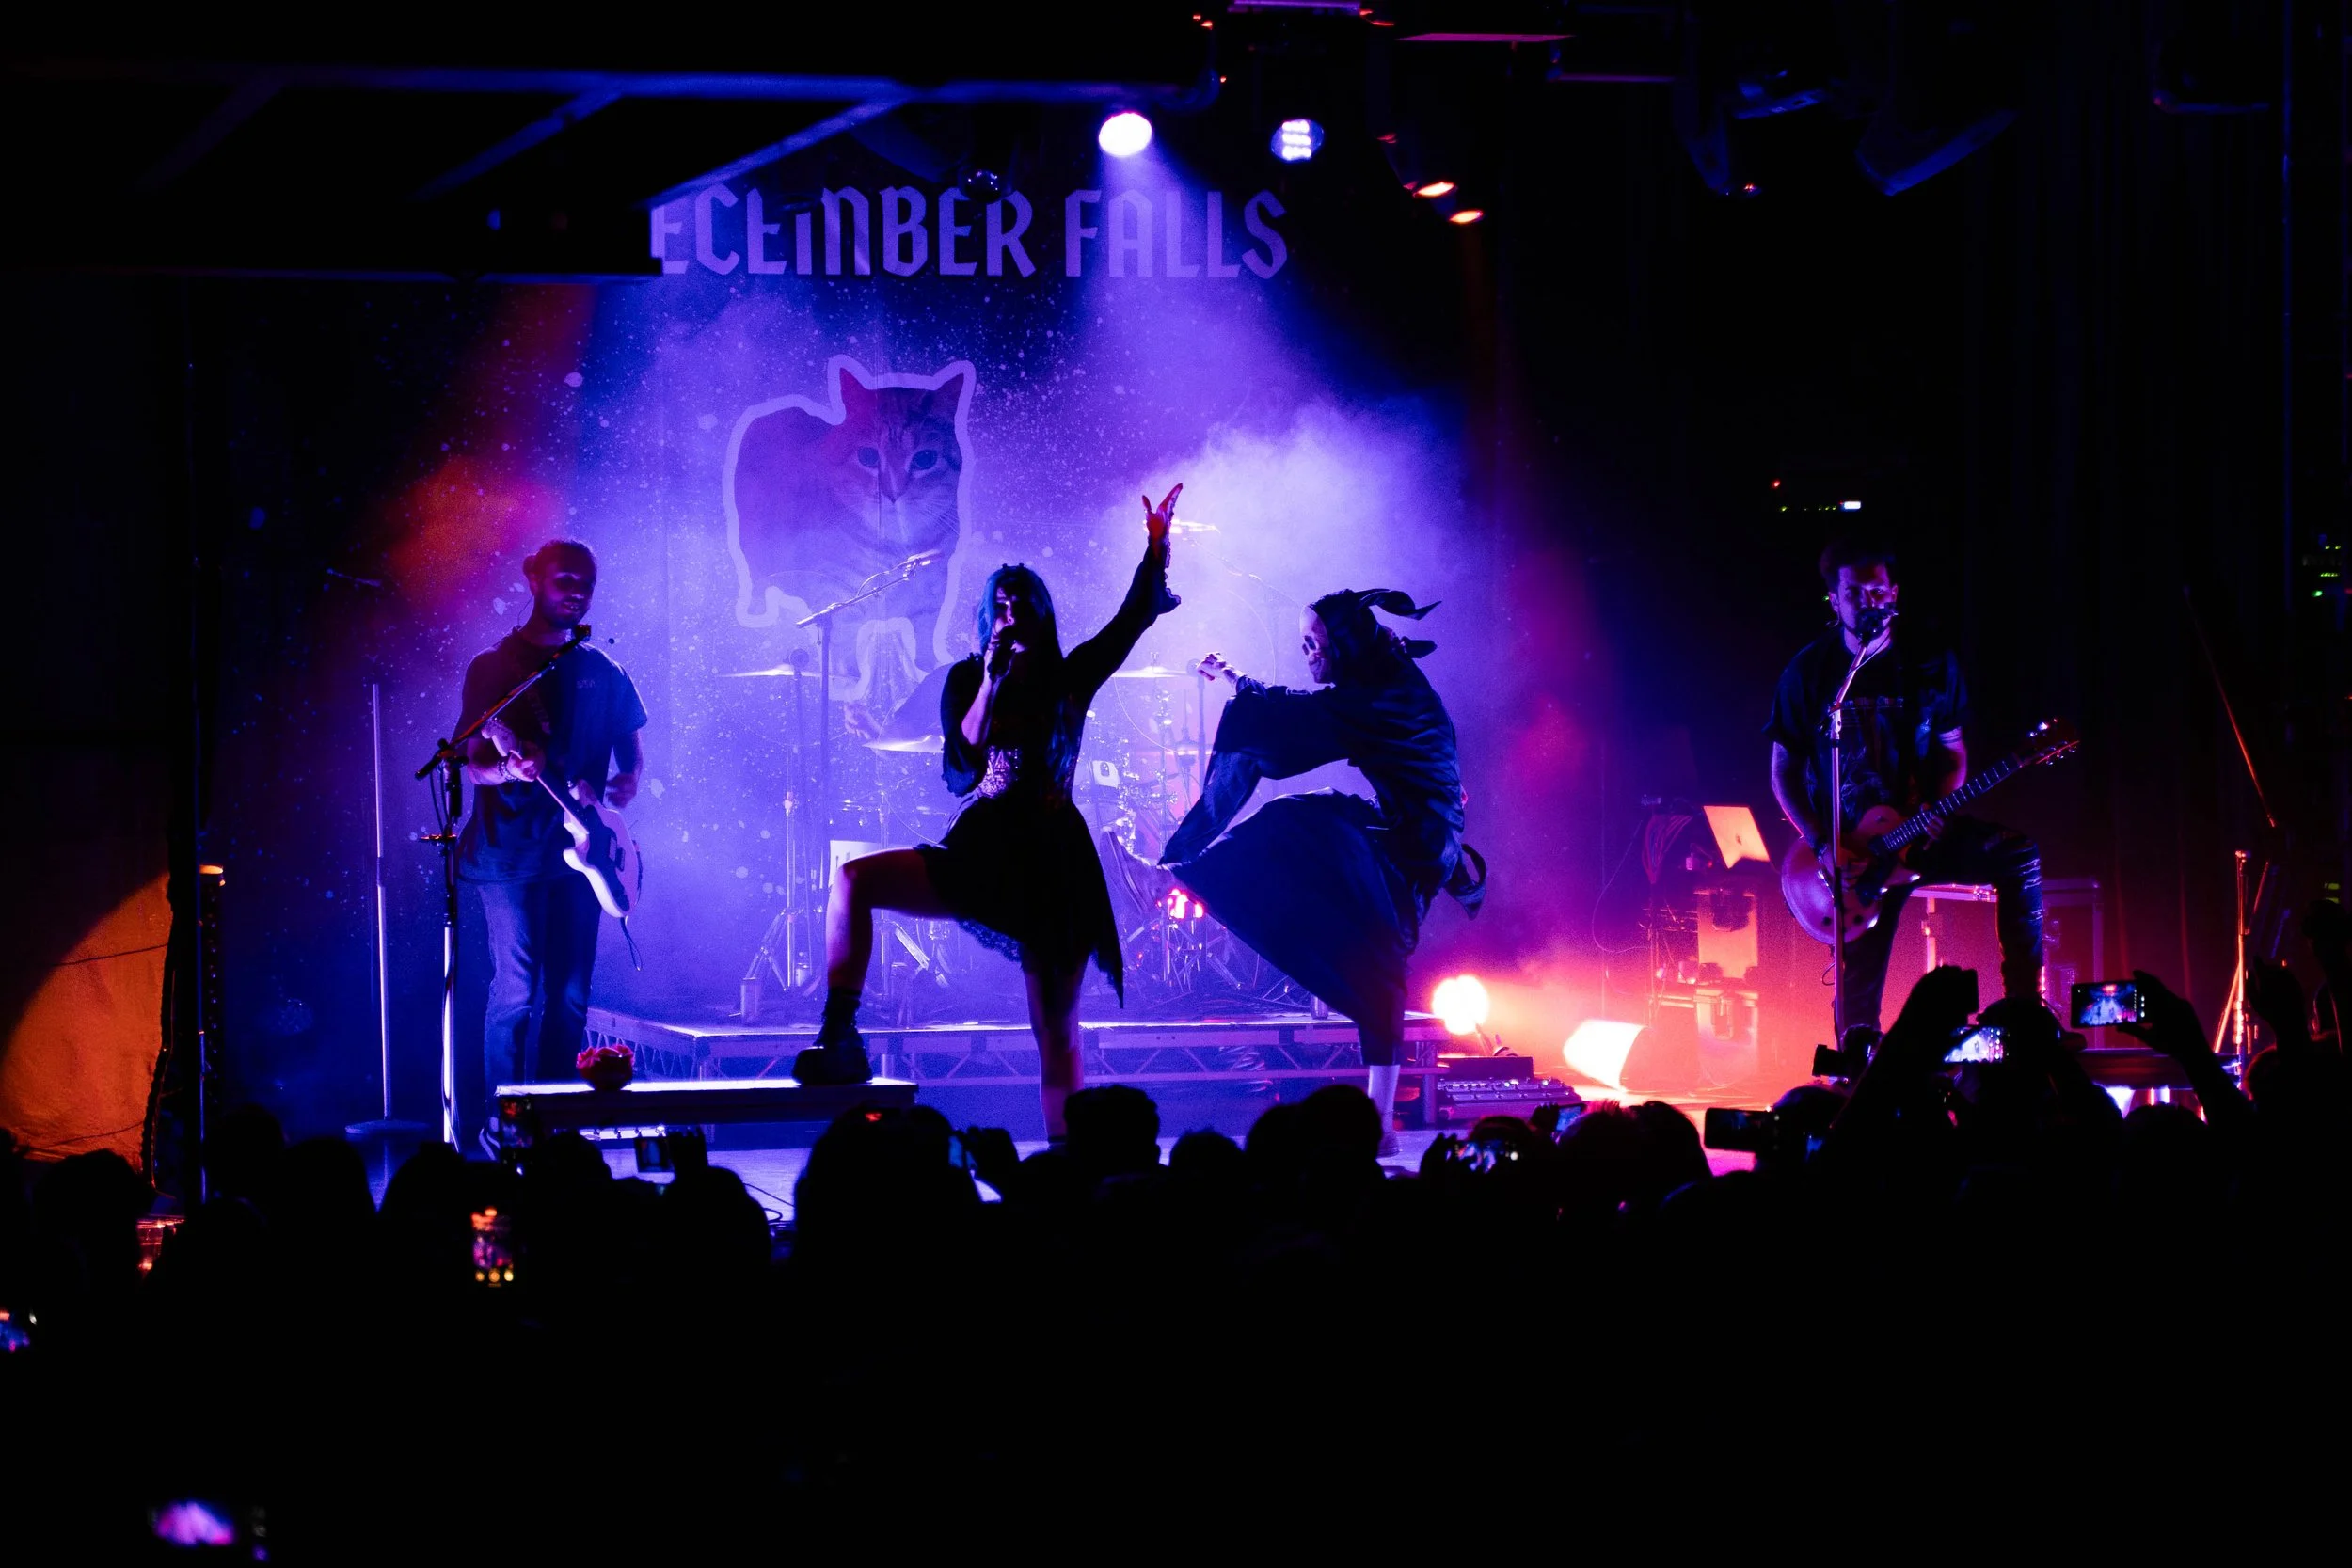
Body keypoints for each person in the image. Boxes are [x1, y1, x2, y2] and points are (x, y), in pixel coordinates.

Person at [797, 485, 1186, 1138]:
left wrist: (1155, 546)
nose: (1010, 614)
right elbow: (963, 765)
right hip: (985, 844)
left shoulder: (1072, 676)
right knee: (853, 880)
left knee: (1055, 1028)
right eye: (999, 605)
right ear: (987, 618)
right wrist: (990, 678)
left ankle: (1070, 1155)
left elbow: (1128, 621)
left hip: (1054, 857)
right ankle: (840, 1037)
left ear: (1040, 616)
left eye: (1022, 605)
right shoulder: (964, 680)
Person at [1160, 590, 1486, 1157]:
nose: (1306, 652)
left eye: (1314, 644)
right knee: (1374, 958)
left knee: (1294, 823)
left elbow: (1303, 720)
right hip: (1407, 828)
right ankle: (1380, 1126)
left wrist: (1245, 696)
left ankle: (1179, 875)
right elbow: (1313, 710)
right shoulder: (1377, 682)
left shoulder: (1388, 695)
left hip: (1418, 842)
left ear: (1346, 644)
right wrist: (1243, 684)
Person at [1765, 536, 2041, 1035]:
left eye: (1878, 592)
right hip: (1854, 852)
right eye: (1855, 594)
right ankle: (1856, 1074)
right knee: (1859, 995)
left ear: (1894, 594)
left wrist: (1938, 807)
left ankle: (2026, 1012)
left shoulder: (1931, 662)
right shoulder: (1811, 672)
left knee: (2017, 854)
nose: (1868, 603)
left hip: (1921, 831)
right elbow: (1782, 771)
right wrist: (1820, 842)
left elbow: (1953, 752)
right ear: (1834, 599)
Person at [454, 540, 646, 1141]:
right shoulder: (495, 669)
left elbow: (631, 749)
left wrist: (625, 783)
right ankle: (507, 1123)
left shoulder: (603, 670)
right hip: (509, 853)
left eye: (586, 582)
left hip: (584, 857)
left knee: (569, 994)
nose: (577, 592)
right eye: (565, 579)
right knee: (517, 989)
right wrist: (508, 769)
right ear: (533, 579)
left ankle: (557, 1124)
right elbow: (472, 761)